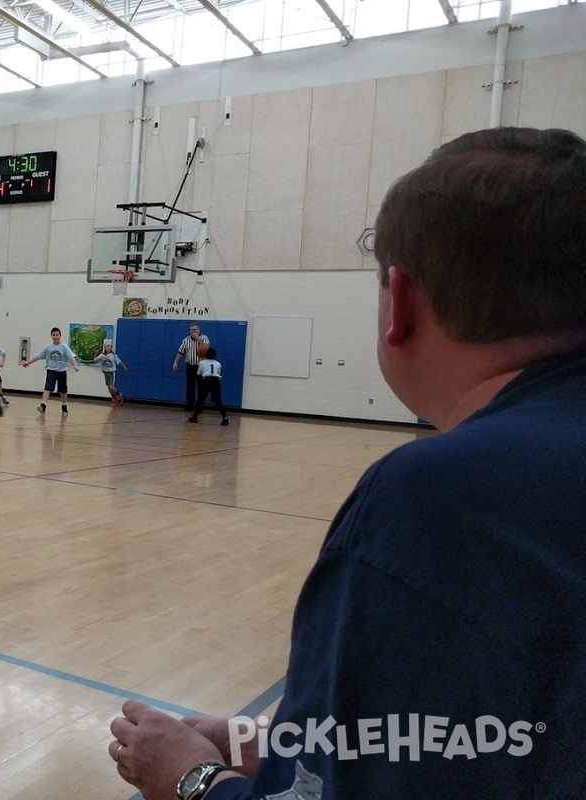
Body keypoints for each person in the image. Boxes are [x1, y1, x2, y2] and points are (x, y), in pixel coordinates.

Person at [107, 128, 586, 800]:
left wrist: (191, 776)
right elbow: (484, 739)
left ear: (403, 303)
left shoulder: (442, 496)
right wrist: (261, 744)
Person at [21, 326, 78, 416]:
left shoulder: (64, 346)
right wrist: (28, 363)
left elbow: (71, 356)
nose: (55, 337)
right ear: (51, 336)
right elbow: (39, 356)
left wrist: (75, 365)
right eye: (53, 335)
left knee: (63, 390)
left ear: (60, 336)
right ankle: (43, 405)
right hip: (51, 370)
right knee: (48, 387)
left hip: (61, 371)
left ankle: (64, 406)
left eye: (57, 335)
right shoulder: (48, 347)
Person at [171, 322, 210, 409]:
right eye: (191, 330)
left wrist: (198, 339)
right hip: (190, 365)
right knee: (190, 386)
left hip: (201, 366)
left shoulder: (204, 338)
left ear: (199, 330)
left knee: (201, 387)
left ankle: (200, 406)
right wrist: (175, 362)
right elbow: (181, 351)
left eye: (195, 329)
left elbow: (207, 349)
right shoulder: (186, 340)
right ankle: (190, 405)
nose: (193, 331)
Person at [188, 347, 228, 425]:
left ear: (205, 354)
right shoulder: (218, 363)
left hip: (206, 380)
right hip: (216, 381)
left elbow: (199, 374)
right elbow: (218, 373)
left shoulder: (202, 363)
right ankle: (225, 418)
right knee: (218, 401)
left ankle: (194, 417)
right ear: (215, 355)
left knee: (200, 400)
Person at [89, 339, 128, 404]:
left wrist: (124, 367)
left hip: (111, 372)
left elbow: (119, 362)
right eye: (108, 346)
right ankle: (114, 397)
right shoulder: (102, 355)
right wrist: (95, 354)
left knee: (110, 386)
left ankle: (119, 394)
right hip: (105, 372)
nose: (109, 348)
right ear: (105, 348)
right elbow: (95, 360)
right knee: (108, 387)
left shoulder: (114, 356)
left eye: (111, 346)